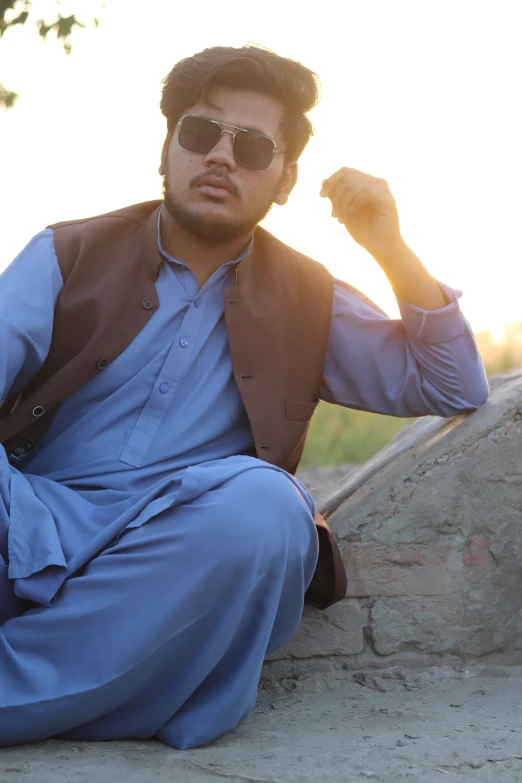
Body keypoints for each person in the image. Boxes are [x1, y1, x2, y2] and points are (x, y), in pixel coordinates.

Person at [0, 45, 488, 749]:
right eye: (201, 134)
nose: (222, 157)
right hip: (32, 524)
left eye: (253, 147)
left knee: (264, 510)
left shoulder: (308, 297)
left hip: (181, 549)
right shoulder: (67, 253)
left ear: (285, 181)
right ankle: (103, 690)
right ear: (166, 148)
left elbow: (452, 383)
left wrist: (389, 247)